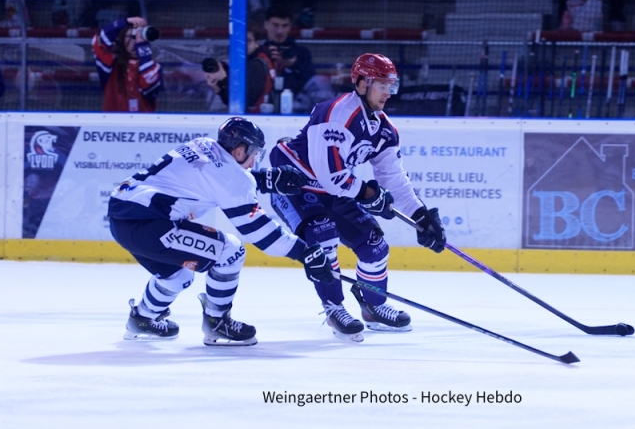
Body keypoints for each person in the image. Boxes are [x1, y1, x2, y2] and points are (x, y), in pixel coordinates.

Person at [268, 53, 446, 342]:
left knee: (374, 245)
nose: (388, 93)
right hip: (295, 184)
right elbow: (331, 176)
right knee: (323, 237)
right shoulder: (336, 114)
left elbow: (393, 179)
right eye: (381, 85)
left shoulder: (385, 130)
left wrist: (421, 216)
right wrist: (368, 194)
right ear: (361, 83)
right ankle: (334, 307)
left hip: (334, 189)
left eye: (392, 86)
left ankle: (373, 306)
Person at [108, 117, 334, 344]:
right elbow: (261, 233)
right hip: (150, 224)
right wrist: (304, 252)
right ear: (239, 151)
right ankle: (217, 322)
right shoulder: (232, 178)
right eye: (254, 154)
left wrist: (267, 179)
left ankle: (143, 317)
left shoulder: (202, 144)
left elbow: (218, 175)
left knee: (177, 277)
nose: (254, 161)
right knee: (231, 251)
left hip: (122, 216)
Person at [92, 16, 163, 112]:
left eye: (141, 37)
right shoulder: (111, 64)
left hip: (142, 124)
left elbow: (147, 84)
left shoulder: (154, 67)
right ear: (121, 38)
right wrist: (123, 22)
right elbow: (97, 42)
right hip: (113, 123)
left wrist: (142, 48)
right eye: (132, 36)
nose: (136, 41)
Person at [203, 22, 273, 113]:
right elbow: (232, 103)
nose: (243, 44)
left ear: (257, 43)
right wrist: (218, 89)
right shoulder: (247, 63)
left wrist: (224, 79)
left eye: (247, 40)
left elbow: (243, 102)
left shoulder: (257, 65)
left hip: (259, 120)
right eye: (240, 40)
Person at [258, 5, 316, 102]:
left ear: (290, 27)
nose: (280, 31)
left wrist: (295, 64)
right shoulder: (258, 52)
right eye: (275, 25)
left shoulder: (301, 53)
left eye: (284, 26)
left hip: (295, 108)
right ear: (266, 25)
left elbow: (313, 82)